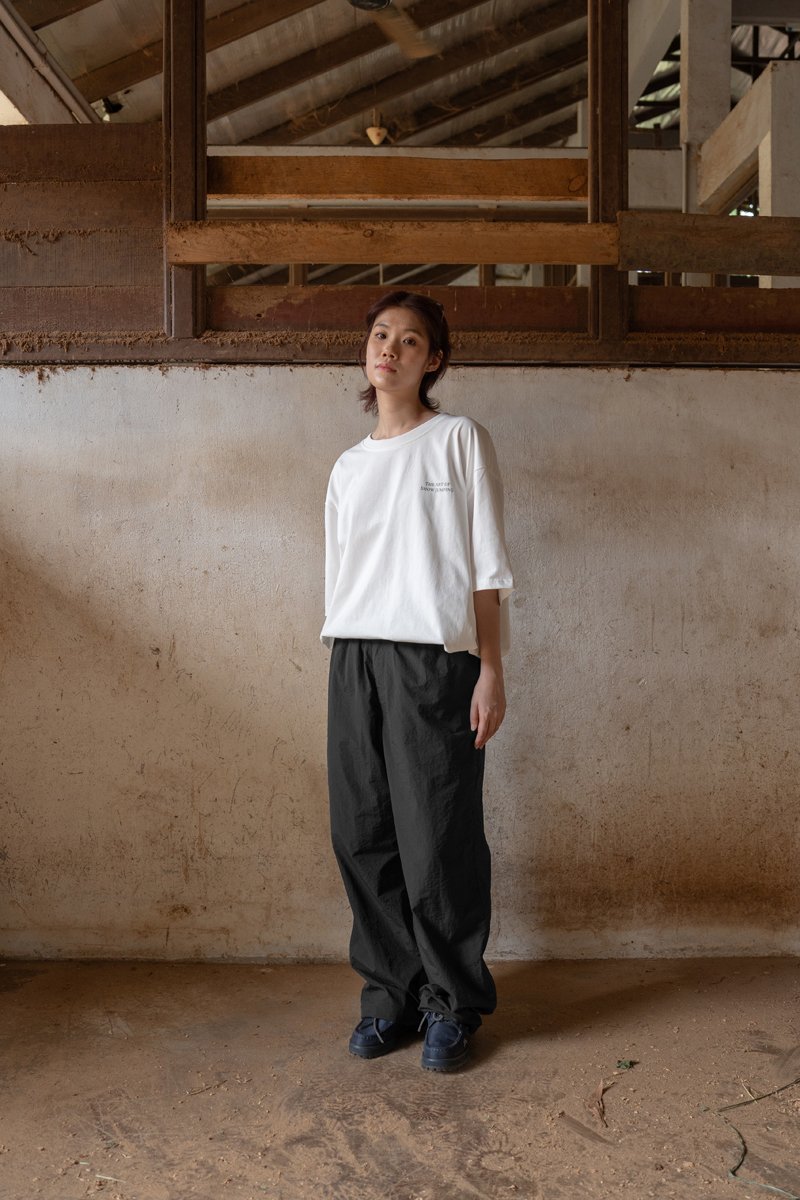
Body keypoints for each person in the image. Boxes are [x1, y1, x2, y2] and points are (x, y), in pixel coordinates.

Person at [321, 290, 513, 1072]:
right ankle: (390, 998)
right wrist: (349, 662)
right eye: (379, 335)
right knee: (362, 834)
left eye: (409, 340)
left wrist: (491, 668)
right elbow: (343, 575)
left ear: (433, 359)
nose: (389, 349)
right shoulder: (348, 467)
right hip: (353, 657)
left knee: (438, 837)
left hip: (434, 660)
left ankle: (452, 1004)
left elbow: (486, 568)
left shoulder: (458, 440)